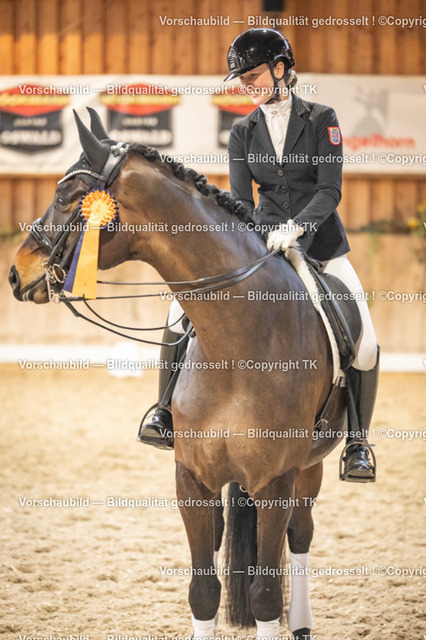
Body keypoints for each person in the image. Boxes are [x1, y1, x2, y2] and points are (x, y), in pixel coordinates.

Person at [139, 28, 379, 483]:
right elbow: (239, 200)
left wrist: (298, 227)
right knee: (178, 311)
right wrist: (252, 237)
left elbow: (330, 190)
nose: (246, 85)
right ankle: (163, 411)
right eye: (242, 79)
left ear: (281, 69)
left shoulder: (322, 118)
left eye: (253, 76)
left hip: (321, 247)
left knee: (365, 340)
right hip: (263, 244)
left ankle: (357, 444)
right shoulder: (242, 131)